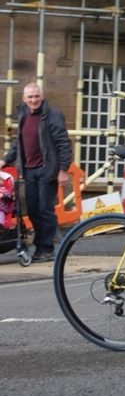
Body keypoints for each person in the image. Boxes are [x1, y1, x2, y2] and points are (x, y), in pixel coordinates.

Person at [0, 83, 72, 262]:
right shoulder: (24, 114)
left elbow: (64, 144)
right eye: (30, 97)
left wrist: (63, 170)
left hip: (47, 170)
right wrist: (5, 160)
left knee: (44, 210)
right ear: (24, 99)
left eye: (36, 96)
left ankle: (46, 249)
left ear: (42, 96)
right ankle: (40, 247)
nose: (34, 100)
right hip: (29, 171)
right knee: (32, 210)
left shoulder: (52, 115)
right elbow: (19, 143)